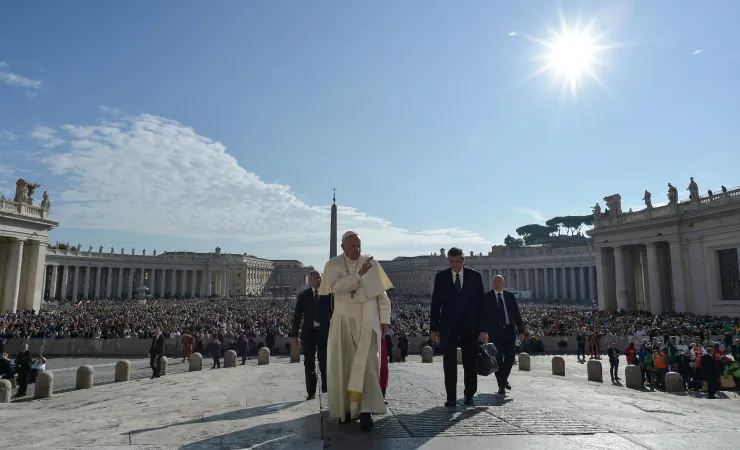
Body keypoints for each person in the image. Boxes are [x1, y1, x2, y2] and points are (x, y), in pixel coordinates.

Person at [319, 231, 392, 431]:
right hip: (344, 320)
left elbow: (382, 297)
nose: (357, 249)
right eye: (352, 246)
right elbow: (334, 287)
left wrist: (385, 320)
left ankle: (366, 410)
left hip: (368, 320)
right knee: (346, 364)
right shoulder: (332, 265)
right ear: (343, 247)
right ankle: (347, 409)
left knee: (368, 365)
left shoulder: (372, 264)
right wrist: (358, 276)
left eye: (359, 245)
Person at [430, 247, 488, 407]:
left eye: (457, 261)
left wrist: (483, 329)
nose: (454, 265)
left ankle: (469, 394)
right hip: (448, 326)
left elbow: (481, 304)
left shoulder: (474, 276)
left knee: (470, 362)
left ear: (463, 260)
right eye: (451, 262)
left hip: (470, 326)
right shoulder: (440, 277)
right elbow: (435, 305)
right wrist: (433, 328)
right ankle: (451, 397)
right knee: (449, 363)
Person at [291, 270, 329, 400]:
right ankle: (311, 391)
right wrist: (295, 335)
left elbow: (334, 313)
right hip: (308, 333)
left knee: (324, 360)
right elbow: (297, 316)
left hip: (324, 332)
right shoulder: (304, 295)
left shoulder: (328, 294)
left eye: (320, 278)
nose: (319, 280)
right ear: (310, 280)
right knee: (309, 363)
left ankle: (325, 384)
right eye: (316, 278)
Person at [484, 275, 524, 396]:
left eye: (499, 281)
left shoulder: (510, 296)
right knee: (497, 359)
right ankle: (501, 385)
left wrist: (521, 330)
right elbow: (483, 316)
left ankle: (503, 379)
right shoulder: (487, 297)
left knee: (510, 357)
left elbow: (516, 314)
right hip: (494, 333)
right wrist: (483, 331)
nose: (496, 283)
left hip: (509, 331)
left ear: (503, 283)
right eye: (495, 281)